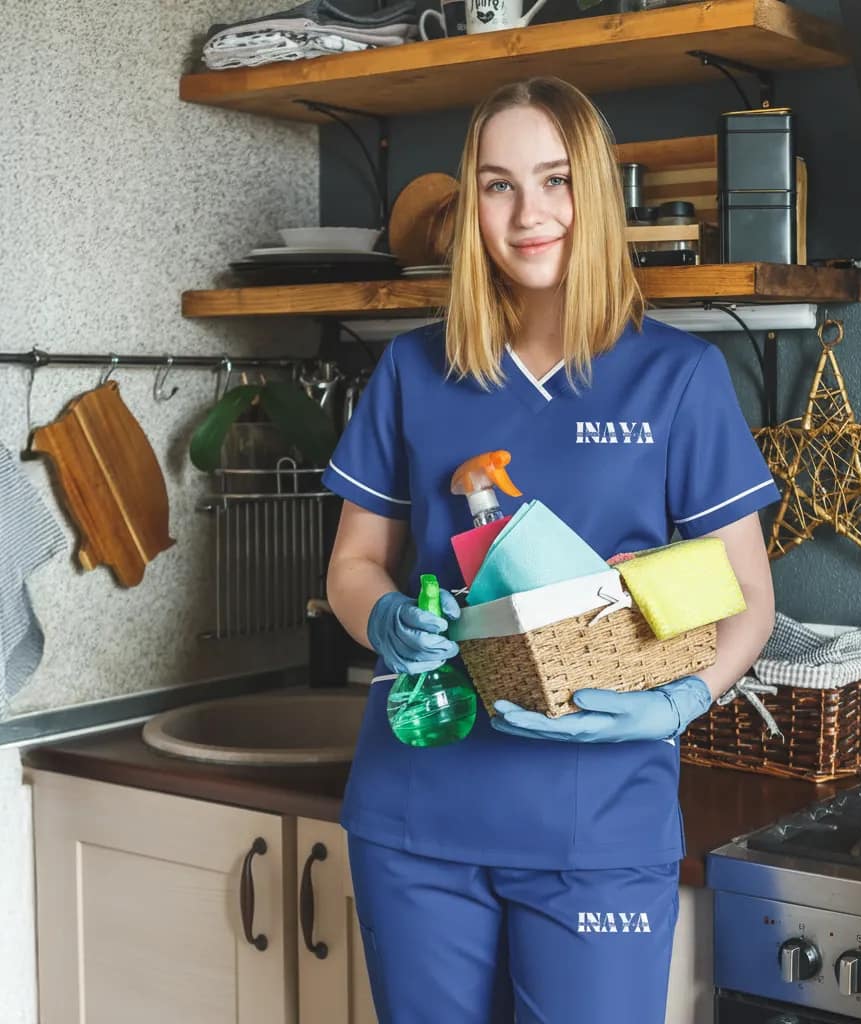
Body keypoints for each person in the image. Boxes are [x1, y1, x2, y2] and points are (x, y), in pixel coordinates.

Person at [322, 76, 777, 1024]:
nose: (527, 214)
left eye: (555, 180)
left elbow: (745, 592)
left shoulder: (678, 377)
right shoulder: (412, 369)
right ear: (471, 203)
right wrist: (386, 620)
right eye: (497, 185)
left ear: (597, 195)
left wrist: (680, 702)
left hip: (600, 824)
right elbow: (355, 565)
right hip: (417, 817)